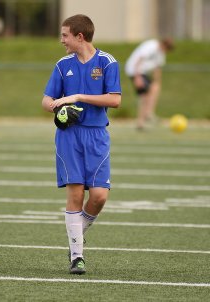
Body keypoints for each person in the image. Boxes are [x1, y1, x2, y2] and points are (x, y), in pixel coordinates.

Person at [41, 14, 121, 274]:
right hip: (69, 136)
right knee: (75, 194)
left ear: (80, 36)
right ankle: (77, 256)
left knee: (98, 197)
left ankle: (77, 235)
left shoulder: (107, 62)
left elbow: (114, 100)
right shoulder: (63, 65)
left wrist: (76, 97)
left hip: (97, 135)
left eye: (65, 35)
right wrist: (57, 108)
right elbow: (46, 100)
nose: (61, 40)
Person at [125, 38, 174, 130]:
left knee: (151, 90)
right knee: (144, 96)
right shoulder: (152, 46)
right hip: (134, 70)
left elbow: (157, 69)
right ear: (164, 45)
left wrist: (157, 82)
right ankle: (147, 115)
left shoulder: (161, 53)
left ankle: (143, 120)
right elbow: (139, 59)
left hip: (142, 73)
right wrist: (137, 77)